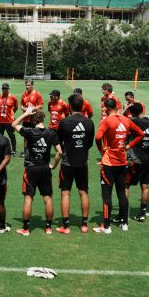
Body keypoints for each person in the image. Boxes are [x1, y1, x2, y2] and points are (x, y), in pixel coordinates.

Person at [93, 98, 144, 234]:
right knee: (122, 194)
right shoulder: (126, 120)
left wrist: (101, 149)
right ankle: (124, 223)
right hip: (122, 162)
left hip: (109, 163)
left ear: (107, 109)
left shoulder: (106, 121)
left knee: (107, 195)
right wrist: (128, 146)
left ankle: (106, 226)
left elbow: (98, 137)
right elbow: (141, 134)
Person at [12, 107, 62, 236]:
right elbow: (59, 152)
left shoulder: (29, 132)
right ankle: (49, 227)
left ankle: (26, 229)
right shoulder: (51, 133)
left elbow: (14, 124)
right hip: (45, 168)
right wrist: (53, 165)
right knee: (48, 198)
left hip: (31, 168)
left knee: (29, 198)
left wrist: (26, 113)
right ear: (44, 119)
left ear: (33, 120)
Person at [56, 93, 94, 234]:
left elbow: (58, 142)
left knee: (65, 193)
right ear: (82, 106)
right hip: (83, 161)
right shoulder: (89, 122)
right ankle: (84, 225)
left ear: (70, 106)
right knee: (83, 193)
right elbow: (89, 143)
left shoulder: (65, 122)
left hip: (67, 162)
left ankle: (65, 227)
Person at [126, 103, 149, 222]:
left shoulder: (133, 123)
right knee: (145, 186)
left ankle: (124, 213)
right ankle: (142, 213)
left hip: (135, 160)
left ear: (133, 113)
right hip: (148, 159)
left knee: (126, 185)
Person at [20, 79, 44, 157]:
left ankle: (35, 151)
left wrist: (32, 109)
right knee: (25, 136)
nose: (27, 87)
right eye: (26, 85)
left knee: (36, 135)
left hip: (34, 119)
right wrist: (25, 109)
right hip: (26, 119)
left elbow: (41, 105)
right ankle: (25, 152)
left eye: (29, 85)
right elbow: (21, 105)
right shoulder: (24, 95)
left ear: (32, 85)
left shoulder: (37, 94)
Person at [0, 83, 18, 155]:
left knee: (12, 136)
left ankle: (13, 150)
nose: (4, 90)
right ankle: (0, 150)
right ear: (2, 89)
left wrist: (11, 114)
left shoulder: (13, 97)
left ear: (8, 89)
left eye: (6, 89)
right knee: (0, 136)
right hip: (0, 121)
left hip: (9, 121)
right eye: (3, 89)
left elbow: (16, 107)